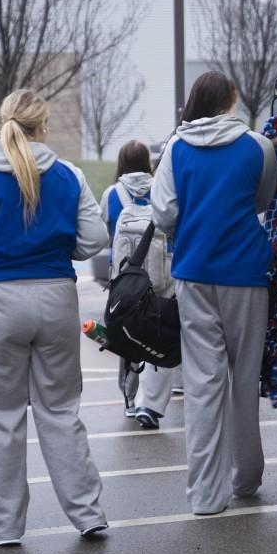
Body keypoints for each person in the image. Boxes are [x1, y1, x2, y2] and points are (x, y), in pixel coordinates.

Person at [0, 88, 110, 545]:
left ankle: (5, 527)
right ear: (44, 126)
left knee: (0, 416)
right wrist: (65, 246)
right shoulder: (71, 175)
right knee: (60, 411)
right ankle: (88, 513)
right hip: (57, 299)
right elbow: (93, 238)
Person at [151, 71, 277, 515]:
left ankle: (206, 496)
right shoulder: (258, 146)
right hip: (246, 271)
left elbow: (163, 212)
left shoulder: (175, 148)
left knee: (203, 383)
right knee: (244, 376)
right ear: (230, 101)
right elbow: (263, 201)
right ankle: (246, 477)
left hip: (194, 272)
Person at [99, 140, 182, 429]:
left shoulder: (112, 194)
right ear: (148, 162)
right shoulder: (161, 187)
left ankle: (130, 401)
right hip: (162, 274)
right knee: (160, 332)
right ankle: (152, 404)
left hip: (126, 278)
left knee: (125, 335)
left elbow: (103, 235)